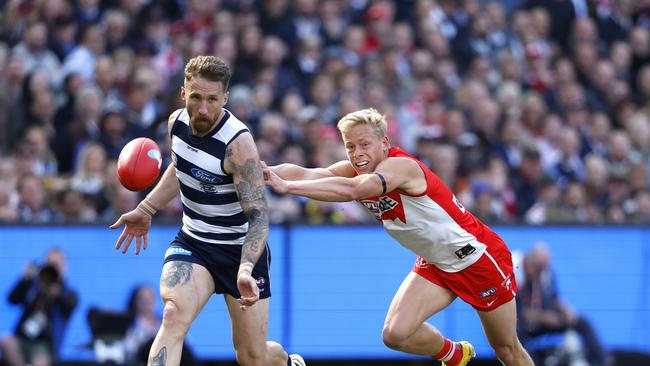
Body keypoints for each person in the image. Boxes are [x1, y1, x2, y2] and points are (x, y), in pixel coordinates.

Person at [263, 108, 534, 366]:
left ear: (384, 142)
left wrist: (287, 187)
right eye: (350, 147)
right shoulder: (358, 170)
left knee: (507, 350)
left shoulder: (401, 167)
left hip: (476, 258)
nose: (357, 154)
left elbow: (353, 190)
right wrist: (258, 171)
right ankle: (455, 354)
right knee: (395, 334)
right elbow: (308, 173)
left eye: (364, 144)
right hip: (436, 261)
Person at [109, 55, 305, 366]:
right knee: (172, 316)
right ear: (183, 92)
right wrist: (146, 208)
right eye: (196, 97)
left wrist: (244, 269)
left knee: (252, 358)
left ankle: (288, 362)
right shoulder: (176, 124)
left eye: (212, 99)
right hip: (194, 242)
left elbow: (258, 217)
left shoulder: (238, 146)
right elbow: (180, 167)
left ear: (225, 98)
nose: (203, 108)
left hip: (239, 252)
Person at [517, 243, 609, 366]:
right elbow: (516, 313)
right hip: (520, 323)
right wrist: (543, 317)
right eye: (538, 269)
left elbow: (554, 298)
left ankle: (604, 360)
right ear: (529, 261)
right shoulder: (513, 268)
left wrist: (567, 310)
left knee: (582, 322)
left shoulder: (544, 272)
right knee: (518, 332)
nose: (540, 274)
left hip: (541, 321)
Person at [0, 247, 79, 366]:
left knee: (40, 362)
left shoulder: (69, 293)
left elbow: (68, 306)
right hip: (22, 339)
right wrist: (24, 279)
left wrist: (56, 292)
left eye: (56, 265)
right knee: (6, 340)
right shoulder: (33, 286)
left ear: (64, 268)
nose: (53, 269)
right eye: (49, 264)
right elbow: (12, 299)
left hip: (44, 345)